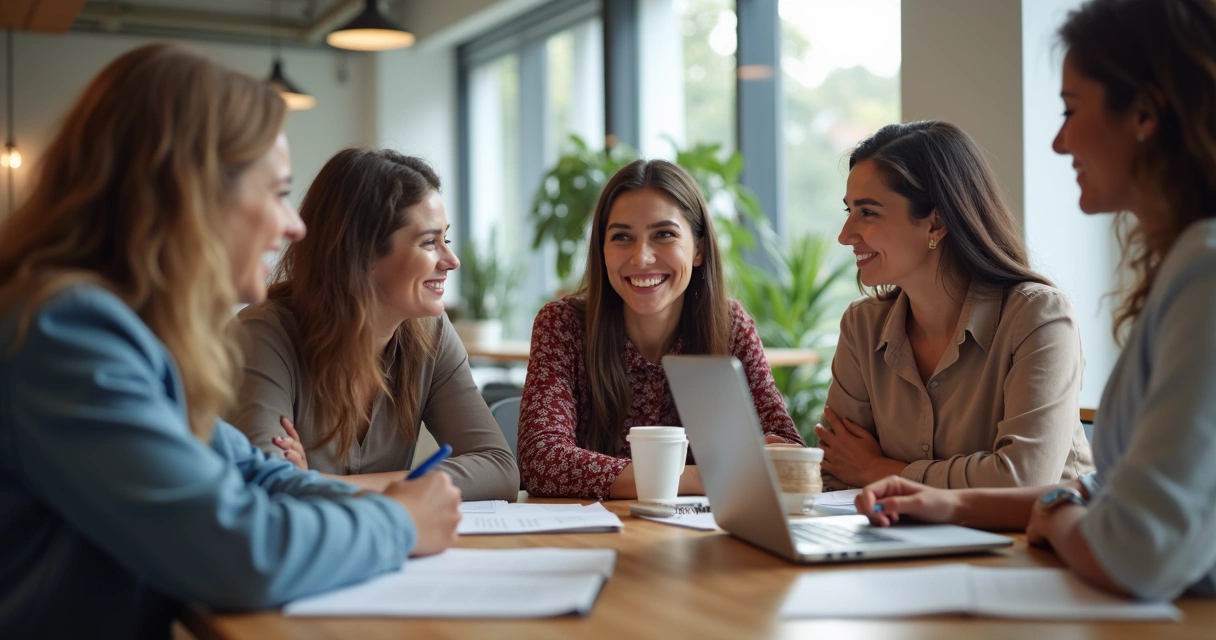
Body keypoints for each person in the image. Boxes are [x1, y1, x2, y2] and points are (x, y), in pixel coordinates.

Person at [0, 44, 461, 638]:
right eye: (276, 193)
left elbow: (254, 473)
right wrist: (398, 523)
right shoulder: (66, 333)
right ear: (191, 196)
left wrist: (380, 507)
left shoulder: (126, 334)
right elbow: (240, 552)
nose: (294, 226)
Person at [857, 0, 1216, 601]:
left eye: (1071, 111)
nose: (1057, 141)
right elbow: (1107, 494)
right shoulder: (1187, 265)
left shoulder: (1203, 274)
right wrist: (948, 503)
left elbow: (1136, 552)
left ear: (1145, 114)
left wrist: (1058, 516)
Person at [227, 148, 518, 501]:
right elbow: (268, 489)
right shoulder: (264, 335)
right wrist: (408, 489)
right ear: (361, 254)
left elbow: (499, 469)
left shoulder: (431, 332)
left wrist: (325, 485)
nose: (452, 260)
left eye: (447, 239)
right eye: (430, 242)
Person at [820, 120, 1094, 489]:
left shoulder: (1039, 317)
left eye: (867, 212)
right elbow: (838, 471)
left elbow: (1022, 480)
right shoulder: (862, 327)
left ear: (936, 222)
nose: (845, 235)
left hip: (1032, 543)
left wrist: (877, 470)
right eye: (848, 211)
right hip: (904, 543)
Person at [518, 159, 804, 499]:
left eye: (664, 235)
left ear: (698, 249)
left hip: (703, 541)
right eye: (622, 237)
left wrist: (771, 457)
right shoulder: (562, 325)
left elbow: (787, 453)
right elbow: (541, 461)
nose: (641, 258)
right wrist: (701, 478)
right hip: (591, 539)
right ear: (602, 250)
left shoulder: (728, 326)